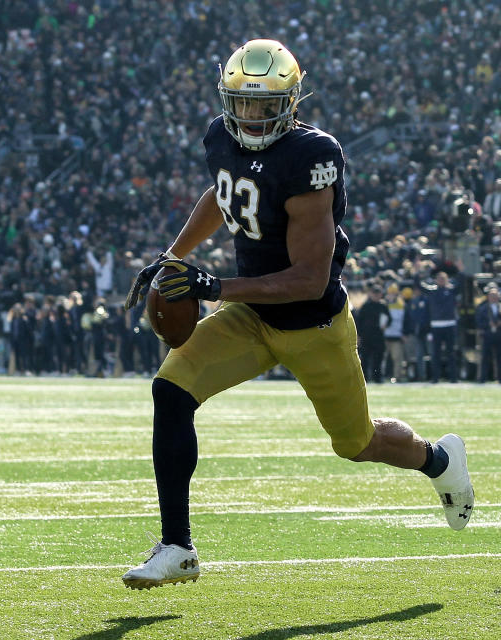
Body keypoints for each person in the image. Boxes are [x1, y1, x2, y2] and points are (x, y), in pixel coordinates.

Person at [119, 39, 473, 590]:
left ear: (291, 101)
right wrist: (175, 255)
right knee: (171, 390)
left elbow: (309, 278)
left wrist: (214, 286)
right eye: (240, 102)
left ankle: (437, 460)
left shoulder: (313, 157)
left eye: (263, 105)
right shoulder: (220, 136)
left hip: (313, 324)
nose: (249, 116)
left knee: (358, 444)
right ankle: (177, 546)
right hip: (254, 316)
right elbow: (224, 193)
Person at [425, 271, 459, 383]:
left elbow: (462, 283)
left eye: (443, 279)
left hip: (449, 324)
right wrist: (417, 273)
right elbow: (419, 285)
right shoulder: (432, 291)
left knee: (451, 352)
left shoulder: (451, 290)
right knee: (436, 353)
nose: (441, 281)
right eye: (439, 279)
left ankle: (453, 378)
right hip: (436, 325)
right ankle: (435, 378)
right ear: (436, 280)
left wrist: (461, 270)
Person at [355, 286, 389, 383]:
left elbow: (388, 319)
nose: (376, 296)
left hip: (378, 336)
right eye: (375, 293)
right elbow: (359, 321)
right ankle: (364, 377)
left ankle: (377, 377)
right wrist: (359, 335)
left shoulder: (383, 306)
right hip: (367, 336)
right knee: (365, 358)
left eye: (378, 294)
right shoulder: (366, 306)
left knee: (378, 357)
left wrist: (385, 324)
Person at [476, 284, 501, 383]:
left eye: (495, 296)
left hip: (499, 334)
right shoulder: (483, 308)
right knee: (485, 357)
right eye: (492, 296)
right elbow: (479, 321)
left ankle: (500, 378)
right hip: (487, 334)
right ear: (488, 297)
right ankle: (483, 378)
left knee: (499, 357)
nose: (493, 298)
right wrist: (488, 324)